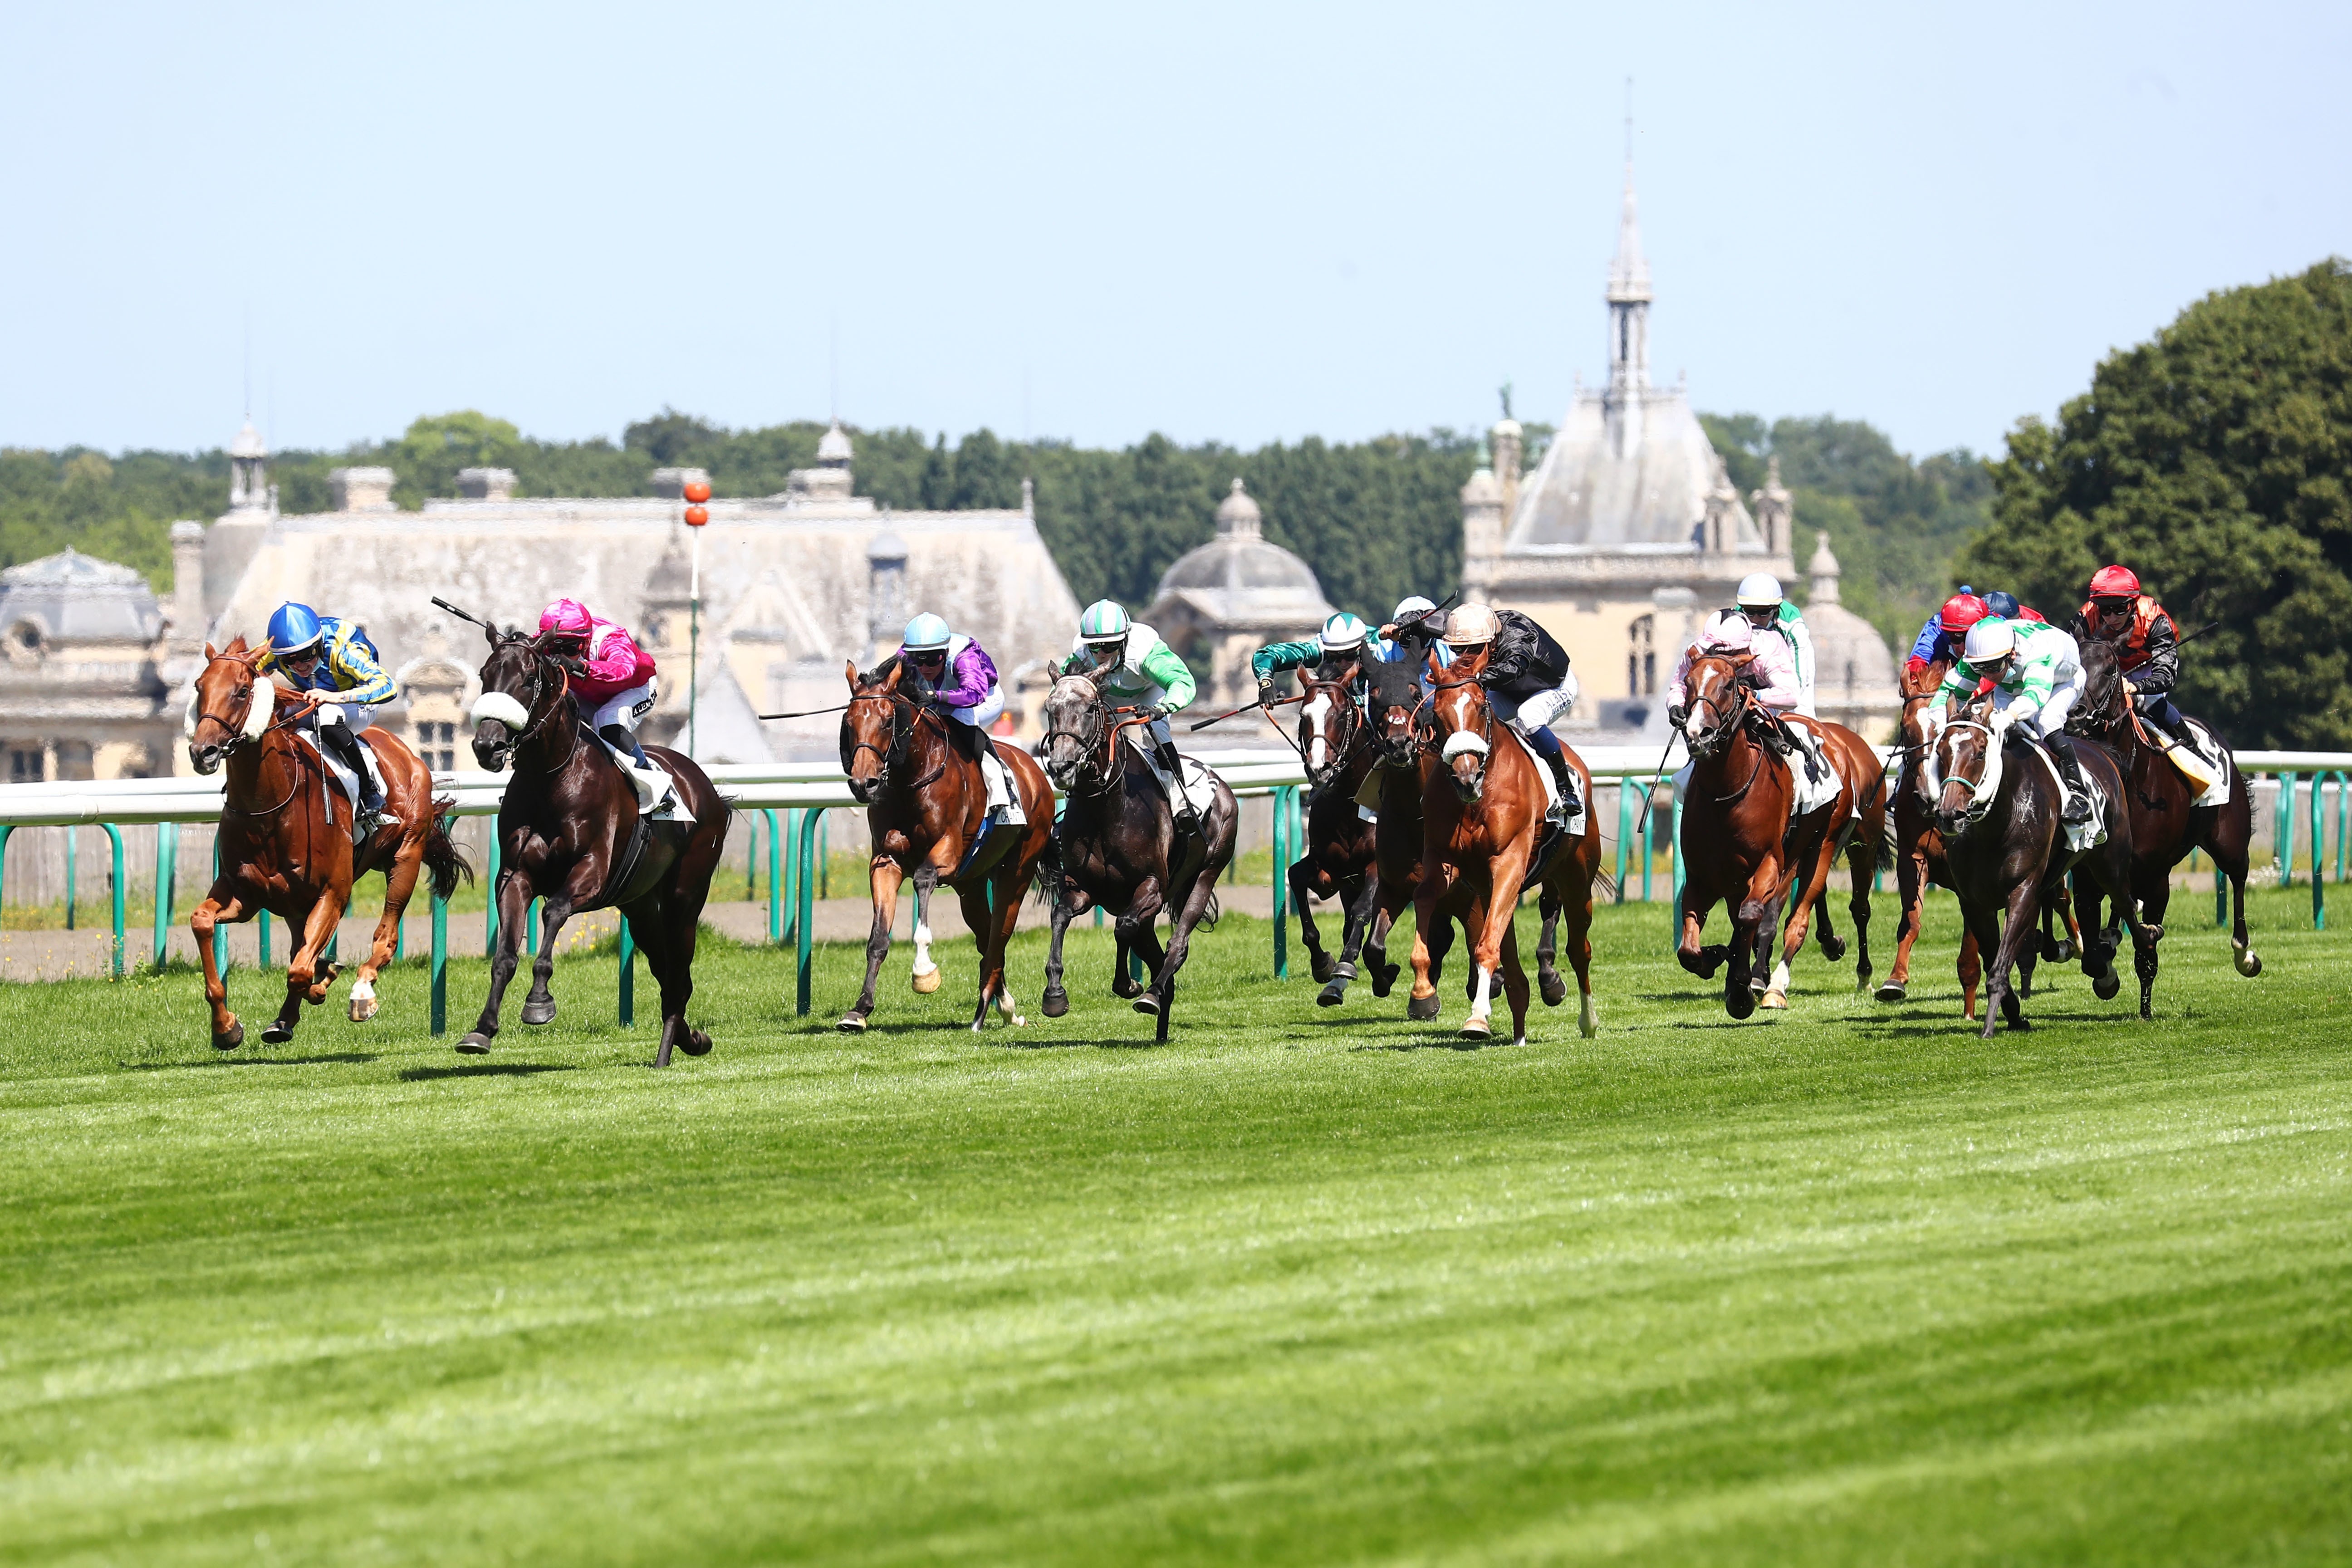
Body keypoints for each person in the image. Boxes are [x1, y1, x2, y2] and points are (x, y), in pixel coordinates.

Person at [1057, 599, 1201, 838]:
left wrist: (1162, 708)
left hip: (1149, 691)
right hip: (1107, 694)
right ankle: (1074, 810)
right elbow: (1065, 688)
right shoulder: (1081, 655)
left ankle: (1180, 801)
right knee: (1086, 739)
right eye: (1095, 647)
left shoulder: (1145, 652)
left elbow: (1182, 682)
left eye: (1110, 646)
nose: (1102, 654)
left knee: (1156, 733)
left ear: (1124, 641)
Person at [257, 601, 401, 831]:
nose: (298, 666)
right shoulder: (274, 649)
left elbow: (389, 687)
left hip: (359, 702)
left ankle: (368, 790)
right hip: (315, 699)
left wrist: (337, 697)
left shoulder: (343, 651)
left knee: (326, 716)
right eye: (289, 661)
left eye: (305, 656)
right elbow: (240, 670)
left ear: (318, 646)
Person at [1939, 617, 2093, 823]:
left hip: (2062, 681)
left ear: (2011, 655)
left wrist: (2010, 715)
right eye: (1981, 668)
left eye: (1993, 667)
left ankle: (2078, 794)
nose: (1988, 675)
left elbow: (2034, 696)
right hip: (2014, 682)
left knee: (2047, 721)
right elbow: (1948, 693)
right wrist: (1940, 721)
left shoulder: (2037, 653)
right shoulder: (1983, 653)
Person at [1440, 603, 1582, 825]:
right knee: (1470, 714)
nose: (1465, 657)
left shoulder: (1518, 636)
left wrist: (1475, 679)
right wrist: (1402, 626)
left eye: (1474, 650)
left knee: (1529, 717)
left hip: (1552, 687)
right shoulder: (1471, 626)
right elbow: (1429, 621)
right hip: (1509, 690)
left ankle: (1566, 788)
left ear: (1491, 642)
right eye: (1459, 650)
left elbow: (1514, 668)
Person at [897, 612, 1023, 825]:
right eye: (919, 660)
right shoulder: (906, 655)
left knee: (959, 720)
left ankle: (1002, 790)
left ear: (945, 652)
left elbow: (974, 694)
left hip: (984, 699)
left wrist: (936, 696)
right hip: (939, 697)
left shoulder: (964, 657)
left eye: (933, 659)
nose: (925, 667)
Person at [2066, 564, 2192, 746]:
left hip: (2147, 667)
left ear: (2133, 603)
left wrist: (2135, 687)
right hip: (2104, 669)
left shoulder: (2155, 619)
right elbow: (2066, 656)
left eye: (2119, 608)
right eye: (2105, 610)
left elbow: (2166, 676)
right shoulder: (2087, 617)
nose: (2112, 617)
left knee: (2149, 701)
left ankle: (2190, 744)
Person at [536, 598, 662, 777]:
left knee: (605, 721)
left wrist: (583, 667)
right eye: (555, 649)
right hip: (589, 693)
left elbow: (625, 669)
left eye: (570, 649)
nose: (562, 655)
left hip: (635, 689)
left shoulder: (610, 638)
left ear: (586, 642)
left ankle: (654, 782)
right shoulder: (546, 636)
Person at [1733, 573, 1816, 717]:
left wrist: (1767, 703)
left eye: (1763, 612)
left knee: (1800, 726)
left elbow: (1795, 689)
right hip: (1754, 675)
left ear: (1775, 609)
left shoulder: (1793, 628)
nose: (1756, 619)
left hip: (1790, 674)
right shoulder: (1734, 622)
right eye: (1750, 611)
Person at [1250, 612, 1380, 701]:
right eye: (1335, 657)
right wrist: (1265, 682)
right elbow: (1267, 655)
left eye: (1350, 656)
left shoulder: (1380, 647)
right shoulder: (1319, 649)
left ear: (1361, 648)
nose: (1343, 663)